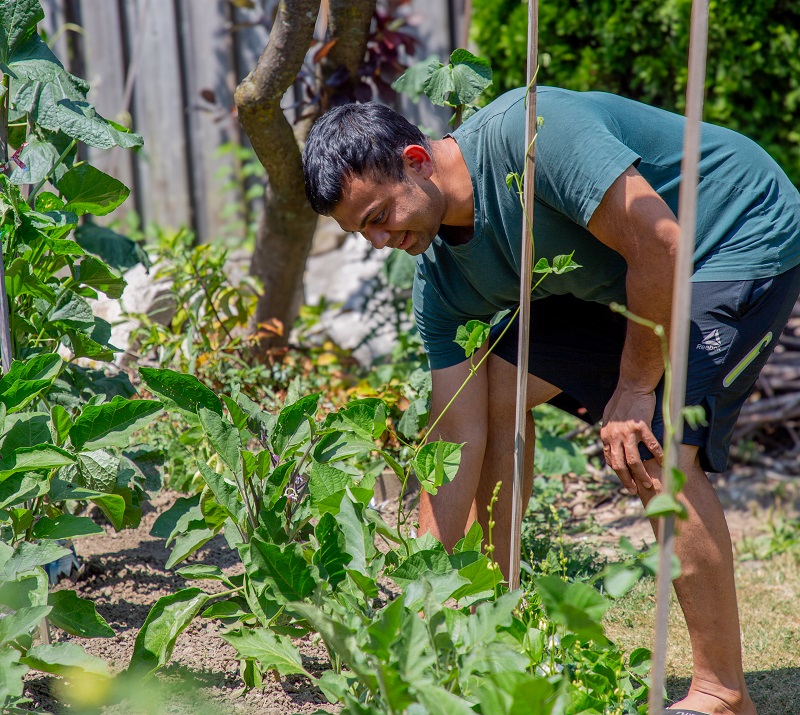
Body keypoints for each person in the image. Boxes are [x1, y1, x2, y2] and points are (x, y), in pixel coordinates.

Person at [302, 85, 800, 715]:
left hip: (728, 235)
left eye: (377, 216)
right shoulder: (442, 278)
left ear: (416, 161)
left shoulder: (533, 135)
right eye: (360, 232)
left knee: (656, 449)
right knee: (494, 387)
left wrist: (635, 388)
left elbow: (663, 241)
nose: (378, 241)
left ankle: (721, 692)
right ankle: (496, 625)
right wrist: (417, 595)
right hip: (634, 269)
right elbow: (454, 437)